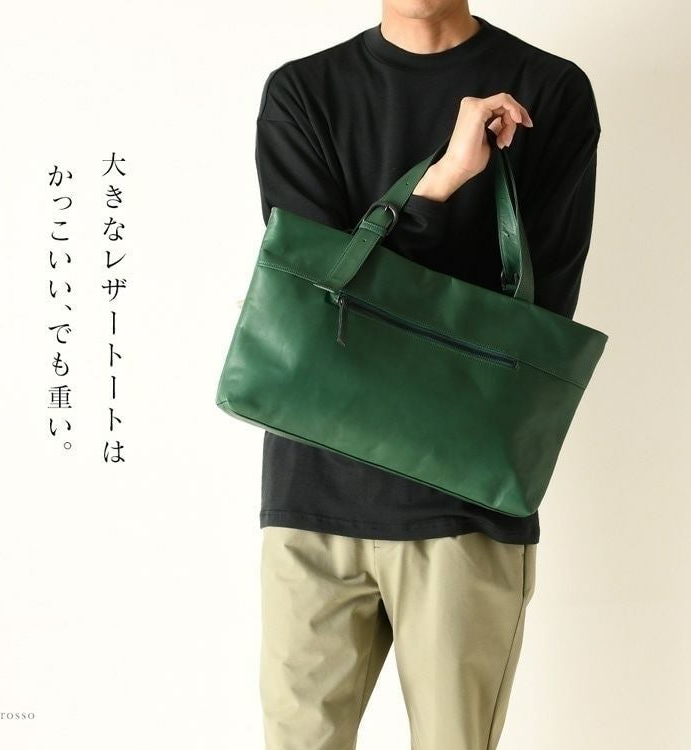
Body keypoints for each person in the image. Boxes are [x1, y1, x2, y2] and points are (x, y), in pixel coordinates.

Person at [254, 2, 601, 748]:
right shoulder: (304, 93)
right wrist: (440, 183)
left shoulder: (550, 91)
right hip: (313, 500)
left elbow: (537, 323)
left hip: (464, 510)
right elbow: (311, 305)